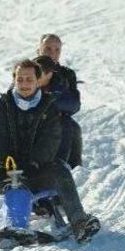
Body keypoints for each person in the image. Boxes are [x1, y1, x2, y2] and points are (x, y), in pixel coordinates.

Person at [0, 59, 100, 246]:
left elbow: (50, 140)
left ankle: (79, 223)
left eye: (29, 79)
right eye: (20, 79)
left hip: (36, 172)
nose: (24, 84)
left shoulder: (49, 107)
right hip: (6, 171)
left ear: (37, 80)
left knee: (60, 170)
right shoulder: (4, 105)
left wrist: (34, 162)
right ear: (14, 80)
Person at [37, 34, 83, 168]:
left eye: (57, 50)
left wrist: (48, 102)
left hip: (57, 118)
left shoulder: (66, 74)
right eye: (48, 48)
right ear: (39, 50)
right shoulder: (27, 70)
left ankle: (67, 166)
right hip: (29, 116)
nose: (52, 53)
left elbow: (74, 104)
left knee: (70, 125)